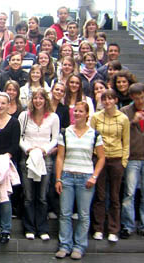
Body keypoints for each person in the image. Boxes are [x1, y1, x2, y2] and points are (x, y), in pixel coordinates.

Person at [54, 101, 105, 260]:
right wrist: (58, 178)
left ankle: (79, 246)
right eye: (75, 111)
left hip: (86, 178)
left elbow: (102, 157)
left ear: (87, 114)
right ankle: (64, 245)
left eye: (80, 111)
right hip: (68, 176)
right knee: (65, 213)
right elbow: (60, 157)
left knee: (83, 214)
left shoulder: (95, 134)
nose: (77, 114)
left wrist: (94, 176)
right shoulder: (65, 132)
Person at [18, 88, 60, 241]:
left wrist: (45, 149)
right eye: (35, 98)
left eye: (41, 98)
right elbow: (20, 137)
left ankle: (42, 228)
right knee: (29, 196)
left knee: (42, 196)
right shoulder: (24, 116)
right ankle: (29, 227)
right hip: (28, 158)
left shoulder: (53, 117)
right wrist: (27, 148)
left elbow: (55, 138)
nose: (38, 101)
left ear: (45, 100)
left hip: (45, 158)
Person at [91, 89, 130, 242]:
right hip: (99, 159)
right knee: (100, 195)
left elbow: (126, 141)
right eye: (104, 99)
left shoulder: (123, 118)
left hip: (116, 158)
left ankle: (113, 229)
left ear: (115, 100)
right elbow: (91, 138)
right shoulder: (96, 117)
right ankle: (98, 228)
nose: (107, 102)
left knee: (114, 196)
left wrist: (124, 162)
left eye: (110, 99)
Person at [120, 83, 144, 240]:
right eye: (136, 98)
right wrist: (132, 121)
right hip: (132, 157)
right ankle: (128, 226)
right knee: (129, 193)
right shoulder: (125, 112)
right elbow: (120, 132)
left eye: (141, 97)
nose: (140, 101)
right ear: (131, 98)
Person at [0, 93, 21, 244]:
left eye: (3, 103)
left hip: (6, 164)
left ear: (8, 105)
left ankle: (6, 229)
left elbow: (15, 145)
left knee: (4, 197)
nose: (0, 106)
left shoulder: (14, 123)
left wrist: (5, 159)